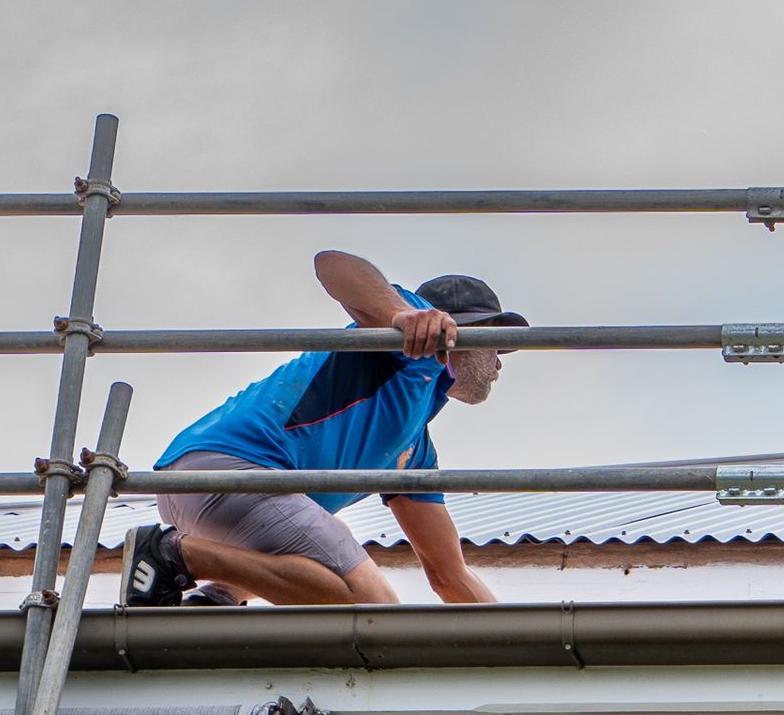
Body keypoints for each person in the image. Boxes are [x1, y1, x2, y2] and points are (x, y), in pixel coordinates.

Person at [119, 250, 525, 607]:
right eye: (495, 345)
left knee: (317, 543)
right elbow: (332, 264)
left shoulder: (414, 448)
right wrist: (398, 315)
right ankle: (175, 556)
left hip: (205, 489)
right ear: (459, 330)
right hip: (230, 472)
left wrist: (518, 653)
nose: (500, 363)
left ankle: (216, 599)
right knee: (374, 609)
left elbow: (449, 576)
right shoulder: (411, 353)